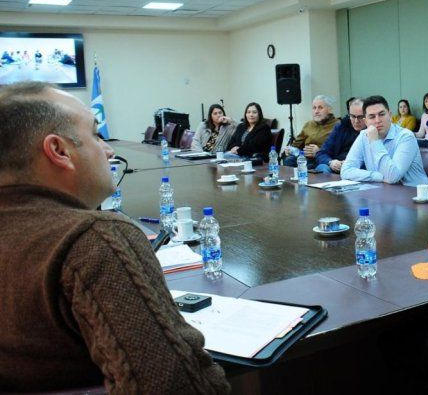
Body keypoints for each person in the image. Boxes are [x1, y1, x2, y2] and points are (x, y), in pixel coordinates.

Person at [0, 82, 229, 393]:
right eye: (96, 135)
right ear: (58, 151)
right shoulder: (94, 240)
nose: (108, 149)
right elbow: (178, 385)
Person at [341, 95, 428, 186]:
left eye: (382, 114)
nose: (378, 120)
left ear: (390, 115)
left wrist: (375, 142)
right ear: (366, 121)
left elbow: (392, 177)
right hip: (383, 192)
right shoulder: (364, 135)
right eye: (372, 117)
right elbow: (345, 171)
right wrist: (376, 176)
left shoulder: (406, 136)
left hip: (414, 194)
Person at [283, 95, 339, 168]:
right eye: (314, 108)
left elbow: (339, 150)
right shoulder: (309, 124)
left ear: (329, 110)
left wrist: (319, 151)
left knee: (315, 166)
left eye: (320, 108)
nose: (316, 111)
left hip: (325, 159)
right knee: (289, 160)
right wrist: (289, 150)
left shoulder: (338, 125)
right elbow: (296, 144)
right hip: (307, 158)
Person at [314, 97, 366, 174]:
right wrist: (331, 162)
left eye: (360, 117)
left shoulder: (371, 131)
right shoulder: (341, 127)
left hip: (357, 170)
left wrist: (351, 164)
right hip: (336, 167)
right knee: (322, 167)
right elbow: (321, 153)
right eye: (352, 116)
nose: (356, 121)